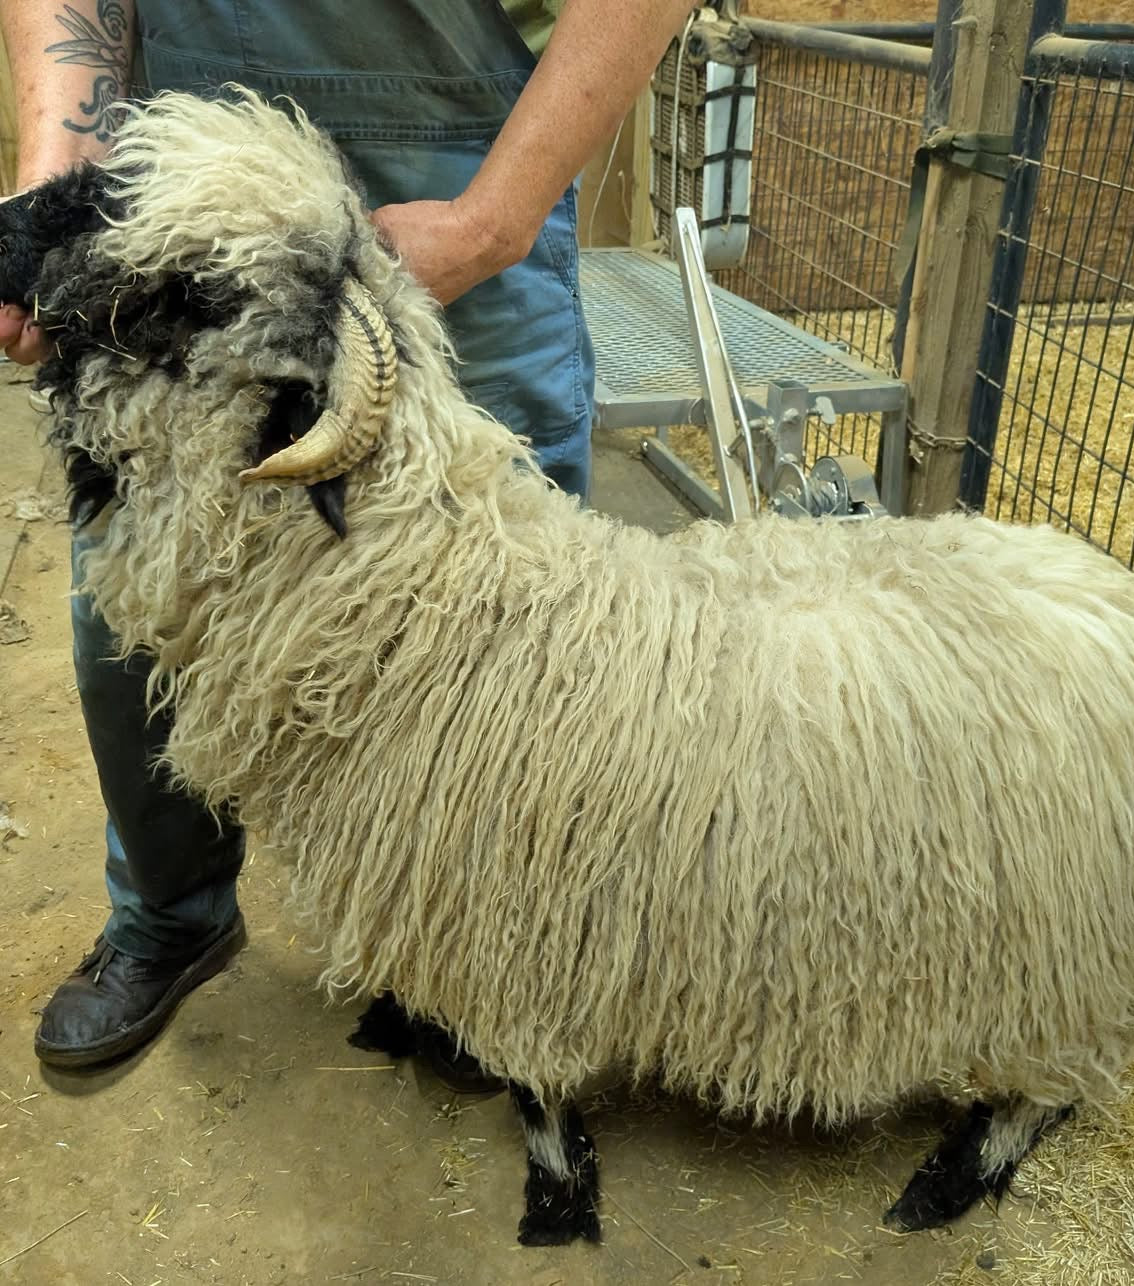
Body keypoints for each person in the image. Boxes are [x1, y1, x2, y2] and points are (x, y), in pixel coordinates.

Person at [0, 0, 697, 1073]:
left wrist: (493, 219)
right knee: (153, 594)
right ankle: (172, 910)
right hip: (193, 177)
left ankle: (483, 947)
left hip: (461, 152)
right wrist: (65, 168)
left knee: (507, 626)